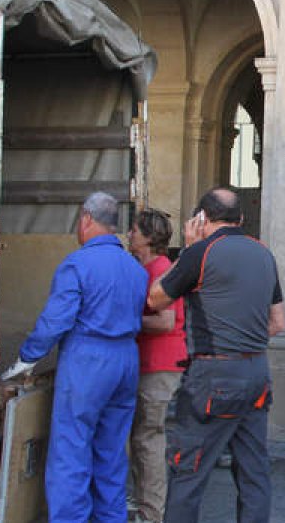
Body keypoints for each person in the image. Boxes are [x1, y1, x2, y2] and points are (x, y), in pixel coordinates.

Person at [1, 192, 147, 523]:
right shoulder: (135, 269)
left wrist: (26, 359)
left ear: (85, 219)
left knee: (71, 449)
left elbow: (56, 321)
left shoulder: (77, 264)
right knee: (110, 451)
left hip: (88, 360)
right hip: (126, 358)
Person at [147, 187, 285, 523]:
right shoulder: (264, 253)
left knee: (188, 472)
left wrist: (188, 250)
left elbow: (155, 299)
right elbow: (278, 322)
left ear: (202, 219)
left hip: (213, 376)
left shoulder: (201, 252)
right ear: (240, 218)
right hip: (255, 372)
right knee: (254, 472)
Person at [126, 208, 182, 523]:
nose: (130, 235)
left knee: (148, 438)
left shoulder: (160, 271)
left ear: (147, 238)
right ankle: (147, 505)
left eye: (134, 230)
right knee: (143, 437)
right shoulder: (151, 269)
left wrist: (123, 319)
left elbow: (164, 321)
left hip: (158, 366)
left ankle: (151, 513)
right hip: (151, 363)